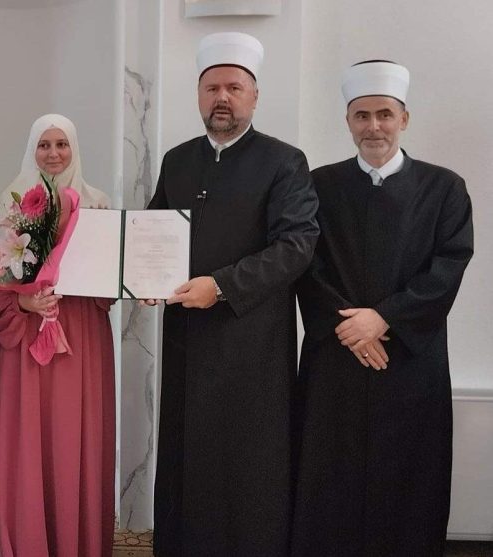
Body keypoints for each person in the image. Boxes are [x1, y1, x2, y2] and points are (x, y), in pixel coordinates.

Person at [145, 32, 319, 557]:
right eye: (212, 88)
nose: (222, 97)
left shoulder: (284, 161)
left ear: (254, 96)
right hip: (186, 339)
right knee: (186, 455)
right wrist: (143, 280)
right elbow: (153, 230)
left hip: (251, 345)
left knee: (246, 463)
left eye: (234, 88)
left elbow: (296, 245)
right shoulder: (177, 160)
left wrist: (221, 287)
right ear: (199, 96)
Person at [291, 61, 473, 557]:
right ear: (348, 121)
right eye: (362, 115)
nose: (374, 126)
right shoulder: (318, 185)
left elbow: (450, 264)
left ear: (404, 119)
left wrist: (384, 317)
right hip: (337, 356)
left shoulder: (444, 188)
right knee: (330, 477)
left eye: (385, 115)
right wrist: (350, 327)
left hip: (410, 358)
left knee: (409, 477)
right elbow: (304, 261)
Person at [0, 114, 115, 557]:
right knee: (30, 440)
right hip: (28, 335)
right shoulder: (10, 203)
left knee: (74, 440)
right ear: (32, 149)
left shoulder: (97, 203)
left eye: (62, 144)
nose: (53, 153)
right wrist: (25, 303)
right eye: (44, 145)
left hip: (81, 336)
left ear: (74, 148)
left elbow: (109, 282)